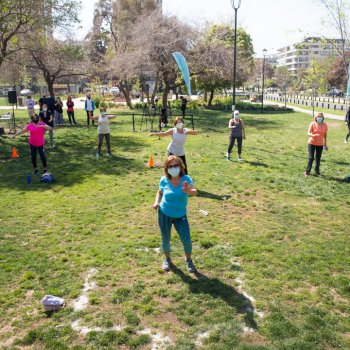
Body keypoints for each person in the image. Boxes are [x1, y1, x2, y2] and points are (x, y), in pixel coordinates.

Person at [151, 155, 198, 272]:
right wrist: (156, 202)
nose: (173, 168)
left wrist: (188, 191)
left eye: (175, 165)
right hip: (164, 214)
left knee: (186, 240)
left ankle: (189, 260)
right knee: (165, 238)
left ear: (180, 166)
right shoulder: (163, 180)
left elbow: (195, 192)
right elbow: (160, 192)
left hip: (180, 215)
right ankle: (167, 259)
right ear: (167, 168)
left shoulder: (186, 178)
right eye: (170, 166)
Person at [304, 112, 328, 177]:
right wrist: (313, 135)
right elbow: (308, 133)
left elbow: (325, 135)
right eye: (318, 117)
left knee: (318, 158)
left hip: (320, 144)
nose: (319, 118)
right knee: (311, 158)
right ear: (316, 118)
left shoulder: (325, 125)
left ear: (323, 118)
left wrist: (325, 144)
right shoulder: (312, 124)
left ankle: (317, 172)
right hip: (312, 142)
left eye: (321, 117)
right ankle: (307, 172)